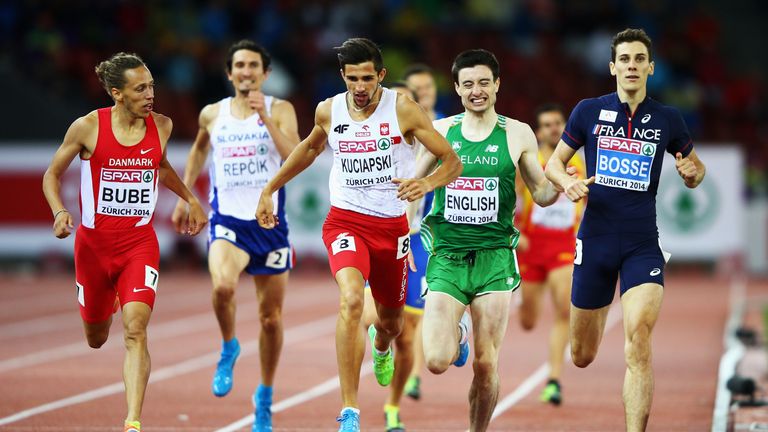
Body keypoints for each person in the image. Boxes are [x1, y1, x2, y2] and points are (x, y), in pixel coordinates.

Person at [255, 38, 461, 432]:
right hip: (345, 221)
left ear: (381, 75)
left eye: (368, 78)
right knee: (351, 300)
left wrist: (426, 184)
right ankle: (350, 408)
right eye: (353, 79)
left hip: (392, 228)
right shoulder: (328, 110)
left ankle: (381, 347)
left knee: (392, 324)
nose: (360, 87)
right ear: (343, 77)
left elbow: (452, 160)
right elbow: (309, 149)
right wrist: (270, 188)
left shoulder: (403, 109)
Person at [544, 28, 706, 431]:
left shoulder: (668, 119)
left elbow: (696, 169)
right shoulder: (588, 111)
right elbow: (554, 164)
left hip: (641, 244)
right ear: (612, 67)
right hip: (595, 241)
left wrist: (692, 173)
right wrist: (567, 184)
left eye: (639, 59)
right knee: (581, 355)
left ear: (650, 68)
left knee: (639, 339)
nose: (632, 66)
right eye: (625, 59)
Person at [42, 52, 208, 432]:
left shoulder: (161, 125)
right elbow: (51, 174)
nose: (151, 95)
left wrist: (191, 198)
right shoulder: (88, 127)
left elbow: (160, 165)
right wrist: (59, 211)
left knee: (136, 329)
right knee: (96, 337)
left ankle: (132, 421)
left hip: (139, 245)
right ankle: (111, 297)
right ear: (117, 93)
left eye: (151, 86)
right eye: (140, 89)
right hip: (93, 249)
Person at [417, 49, 560, 432]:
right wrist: (402, 232)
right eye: (468, 84)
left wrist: (562, 185)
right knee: (436, 359)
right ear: (457, 88)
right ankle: (459, 333)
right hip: (447, 256)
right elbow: (414, 185)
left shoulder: (517, 133)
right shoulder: (441, 130)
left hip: (495, 258)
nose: (476, 91)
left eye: (483, 82)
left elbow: (541, 193)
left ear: (497, 84)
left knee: (486, 363)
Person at [171, 40, 300, 431]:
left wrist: (265, 118)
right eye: (240, 65)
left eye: (253, 65)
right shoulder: (213, 113)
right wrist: (186, 194)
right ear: (229, 73)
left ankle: (265, 396)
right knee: (224, 287)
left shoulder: (281, 108)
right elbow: (198, 150)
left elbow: (295, 155)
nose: (246, 71)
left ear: (265, 73)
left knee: (270, 319)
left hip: (270, 226)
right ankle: (229, 345)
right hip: (227, 220)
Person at [358, 81, 425, 431]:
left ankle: (393, 406)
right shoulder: (367, 141)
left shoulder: (428, 141)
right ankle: (381, 347)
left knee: (408, 336)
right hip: (377, 237)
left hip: (417, 243)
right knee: (371, 318)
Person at [515, 103, 585, 406]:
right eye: (547, 125)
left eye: (558, 123)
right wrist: (514, 233)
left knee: (564, 311)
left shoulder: (580, 162)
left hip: (563, 246)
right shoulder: (528, 164)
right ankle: (525, 306)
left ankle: (554, 380)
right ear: (538, 131)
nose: (553, 128)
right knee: (528, 320)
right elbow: (509, 199)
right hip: (532, 246)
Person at [401, 65, 442, 402]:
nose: (424, 93)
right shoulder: (393, 126)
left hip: (427, 231)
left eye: (427, 87)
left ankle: (413, 374)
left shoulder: (445, 127)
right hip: (391, 228)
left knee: (417, 312)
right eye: (417, 89)